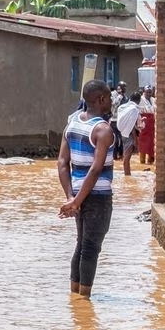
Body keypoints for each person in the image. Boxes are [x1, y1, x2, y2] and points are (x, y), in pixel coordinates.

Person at [58, 80, 116, 298]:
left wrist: (71, 198)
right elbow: (95, 171)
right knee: (91, 248)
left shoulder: (71, 125)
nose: (111, 101)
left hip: (77, 196)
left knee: (81, 245)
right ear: (101, 100)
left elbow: (63, 163)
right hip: (97, 197)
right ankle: (84, 301)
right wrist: (76, 201)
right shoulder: (103, 130)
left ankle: (76, 300)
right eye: (109, 98)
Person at [114, 88, 142, 171]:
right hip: (129, 134)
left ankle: (127, 174)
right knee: (127, 157)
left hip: (122, 133)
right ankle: (127, 175)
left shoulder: (124, 107)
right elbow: (131, 126)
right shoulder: (134, 109)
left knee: (126, 156)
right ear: (139, 100)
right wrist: (135, 140)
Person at [136, 88, 156, 168]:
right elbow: (137, 111)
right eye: (147, 92)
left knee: (152, 142)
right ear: (144, 92)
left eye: (150, 92)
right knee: (143, 142)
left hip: (152, 122)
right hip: (144, 122)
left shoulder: (153, 99)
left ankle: (150, 160)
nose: (148, 94)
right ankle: (142, 162)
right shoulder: (140, 99)